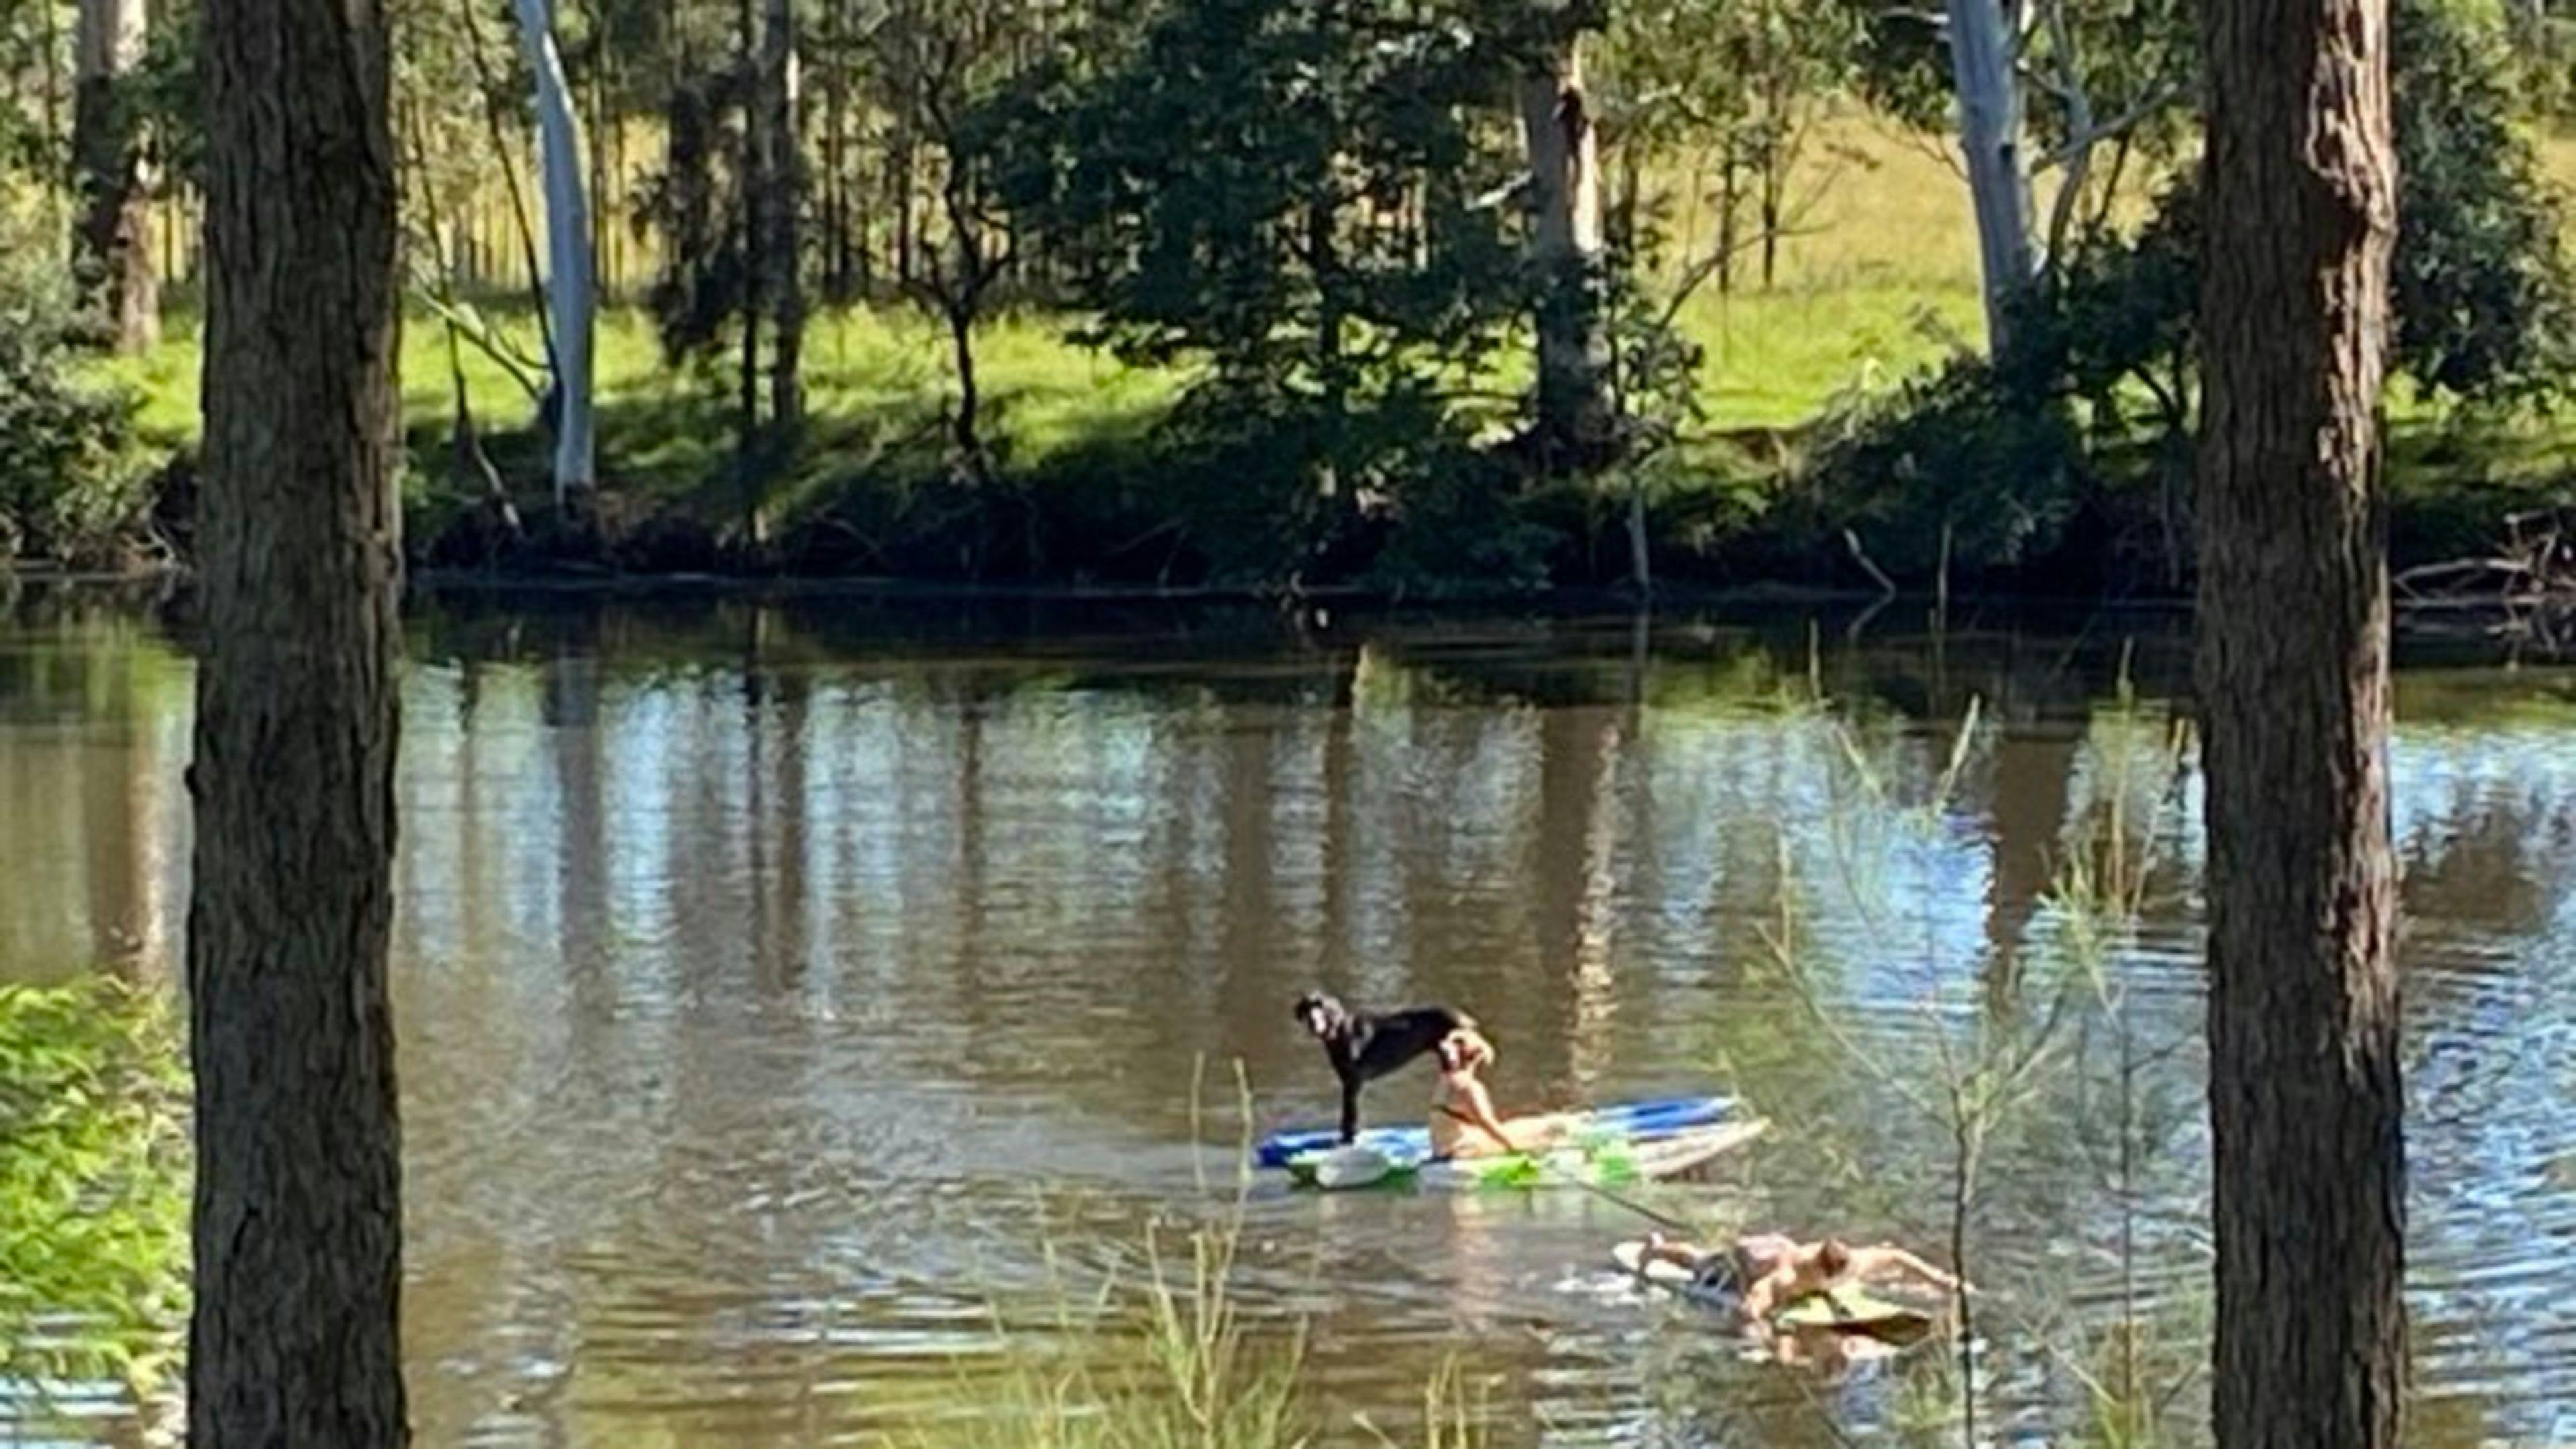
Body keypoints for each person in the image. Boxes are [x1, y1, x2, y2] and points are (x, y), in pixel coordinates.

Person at [1635, 1230, 1972, 1332]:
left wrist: (1941, 1281)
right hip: (1747, 1262)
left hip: (1776, 1244)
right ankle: (1656, 1249)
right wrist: (1758, 1323)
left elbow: (1899, 1257)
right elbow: (1756, 1300)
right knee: (1699, 1261)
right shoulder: (1789, 1277)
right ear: (1819, 1269)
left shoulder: (1855, 1260)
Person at [1426, 1027, 1574, 1159]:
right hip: (1462, 1152)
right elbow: (1487, 1123)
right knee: (1553, 1130)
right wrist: (1515, 1148)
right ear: (1477, 1058)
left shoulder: (1445, 1081)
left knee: (1524, 1125)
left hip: (1443, 1150)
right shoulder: (1468, 1087)